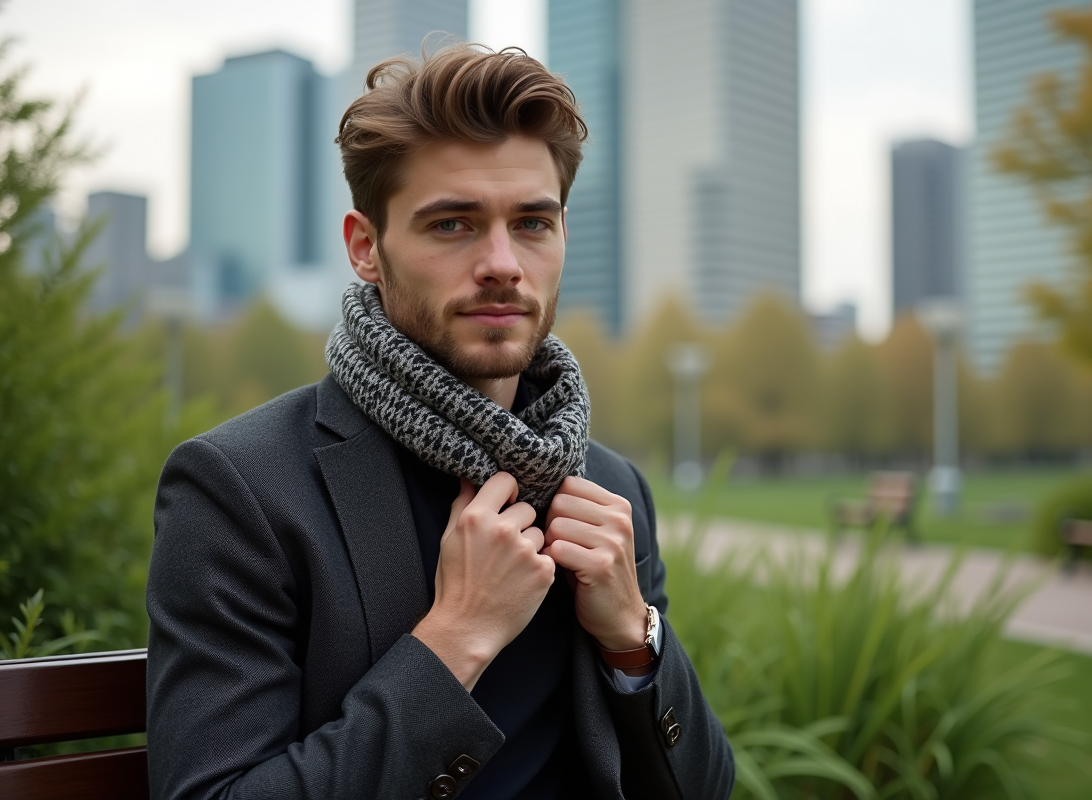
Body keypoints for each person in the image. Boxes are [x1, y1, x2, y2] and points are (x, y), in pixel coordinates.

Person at [146, 43, 734, 800]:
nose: (501, 262)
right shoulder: (243, 490)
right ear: (367, 248)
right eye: (453, 224)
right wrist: (456, 636)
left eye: (531, 223)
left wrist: (634, 642)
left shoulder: (610, 488)